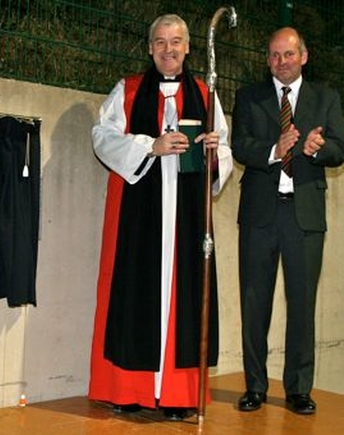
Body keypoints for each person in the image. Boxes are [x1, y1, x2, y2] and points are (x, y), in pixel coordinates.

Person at [88, 14, 233, 421]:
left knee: (185, 297)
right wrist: (150, 145)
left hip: (186, 216)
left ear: (188, 47)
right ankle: (129, 389)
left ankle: (178, 395)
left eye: (176, 42)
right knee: (136, 290)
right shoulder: (129, 91)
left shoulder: (206, 93)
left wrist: (212, 151)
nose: (169, 49)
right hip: (140, 215)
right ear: (149, 47)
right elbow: (103, 137)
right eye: (160, 42)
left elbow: (225, 153)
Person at [232, 27, 344, 415]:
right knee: (253, 303)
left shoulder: (326, 98)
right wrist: (272, 150)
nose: (282, 62)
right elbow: (239, 144)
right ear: (267, 60)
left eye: (289, 54)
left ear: (304, 56)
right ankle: (255, 387)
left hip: (305, 217)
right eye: (275, 55)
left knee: (302, 305)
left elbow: (339, 149)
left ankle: (299, 389)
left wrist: (318, 148)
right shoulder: (249, 96)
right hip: (260, 215)